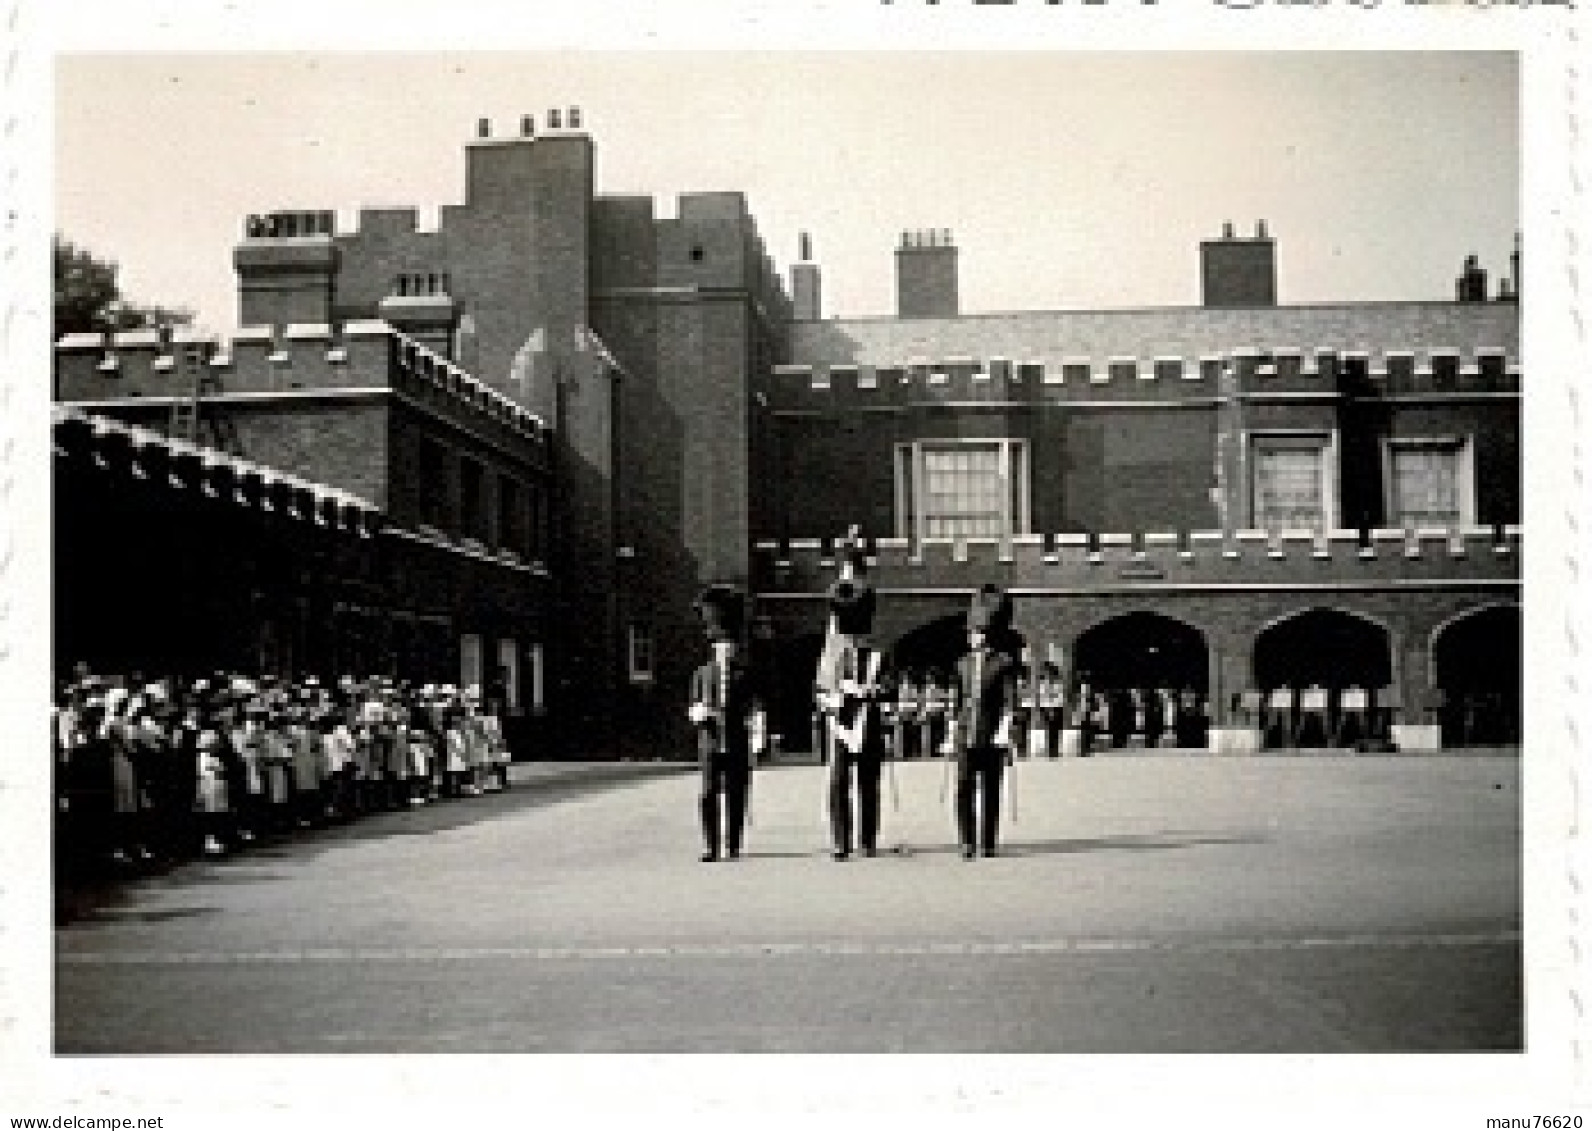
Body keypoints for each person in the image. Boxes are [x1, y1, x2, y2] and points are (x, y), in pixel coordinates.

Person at [813, 534, 892, 860]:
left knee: (869, 782)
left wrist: (873, 692)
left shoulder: (875, 655)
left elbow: (887, 687)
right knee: (838, 781)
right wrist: (833, 700)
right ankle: (841, 841)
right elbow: (820, 689)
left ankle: (868, 839)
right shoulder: (833, 653)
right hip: (842, 722)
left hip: (868, 720)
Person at [687, 584, 767, 863]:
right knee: (708, 793)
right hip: (710, 740)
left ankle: (733, 843)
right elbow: (693, 705)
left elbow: (756, 706)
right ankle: (711, 845)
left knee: (736, 791)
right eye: (721, 648)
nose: (726, 652)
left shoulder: (746, 673)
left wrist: (758, 739)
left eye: (729, 648)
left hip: (736, 738)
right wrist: (701, 713)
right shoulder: (702, 673)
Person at [949, 585, 1020, 860]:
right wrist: (952, 729)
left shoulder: (1003, 663)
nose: (970, 636)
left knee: (991, 789)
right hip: (966, 732)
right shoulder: (962, 663)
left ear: (985, 633)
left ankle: (988, 841)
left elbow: (1009, 700)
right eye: (970, 631)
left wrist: (1006, 729)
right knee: (964, 787)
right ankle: (966, 841)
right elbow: (957, 701)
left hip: (992, 733)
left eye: (974, 632)